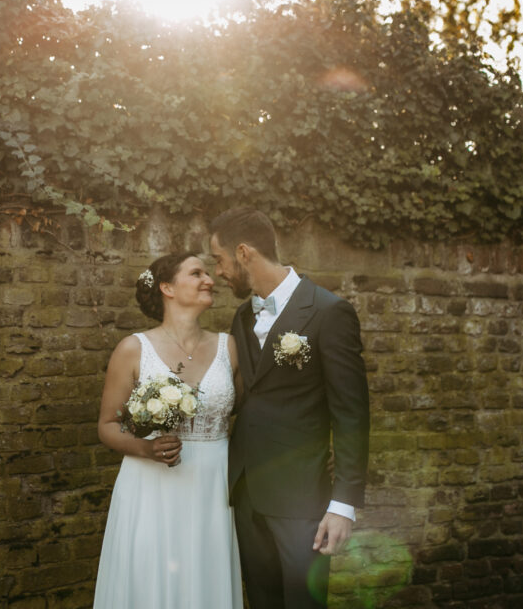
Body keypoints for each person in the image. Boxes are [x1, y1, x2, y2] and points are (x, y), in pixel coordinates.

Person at [209, 208, 370, 609]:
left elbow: (352, 414)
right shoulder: (242, 317)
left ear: (243, 252)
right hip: (247, 494)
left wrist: (343, 504)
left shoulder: (329, 312)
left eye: (219, 259)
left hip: (302, 501)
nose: (218, 272)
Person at [92, 251, 243, 609]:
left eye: (209, 272)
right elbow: (107, 425)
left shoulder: (229, 347)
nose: (209, 280)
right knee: (149, 579)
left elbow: (256, 412)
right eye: (196, 273)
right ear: (167, 288)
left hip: (213, 486)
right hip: (151, 485)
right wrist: (147, 449)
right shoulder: (133, 349)